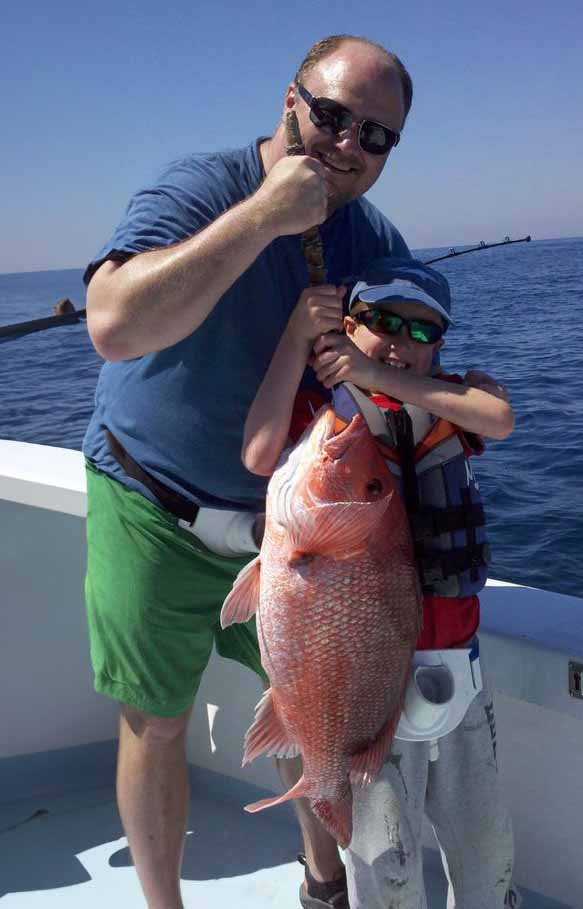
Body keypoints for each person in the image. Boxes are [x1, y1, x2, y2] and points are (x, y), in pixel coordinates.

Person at [83, 34, 414, 909]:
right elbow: (113, 323)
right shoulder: (199, 188)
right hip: (151, 500)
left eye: (375, 136)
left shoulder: (372, 240)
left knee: (310, 704)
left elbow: (409, 351)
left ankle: (325, 882)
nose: (348, 145)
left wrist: (456, 382)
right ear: (290, 98)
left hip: (290, 526)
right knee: (155, 721)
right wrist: (265, 214)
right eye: (333, 115)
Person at [242, 257, 522, 908]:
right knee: (385, 867)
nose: (400, 341)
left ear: (440, 347)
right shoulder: (324, 418)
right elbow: (258, 453)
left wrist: (374, 370)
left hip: (458, 677)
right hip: (366, 692)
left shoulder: (453, 402)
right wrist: (299, 340)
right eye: (381, 322)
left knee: (484, 849)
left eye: (421, 332)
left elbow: (499, 417)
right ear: (347, 326)